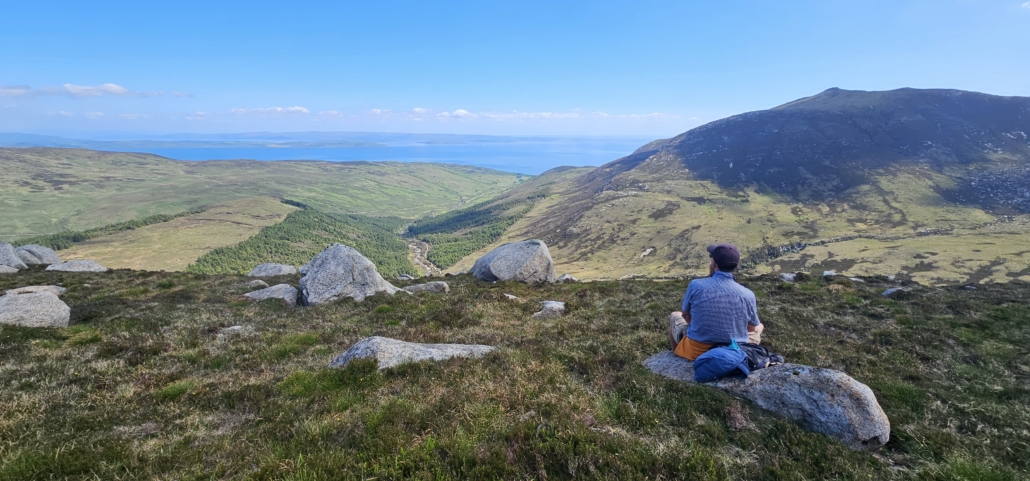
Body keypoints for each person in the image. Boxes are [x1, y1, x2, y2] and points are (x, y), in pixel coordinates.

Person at [669, 243, 764, 360]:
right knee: (759, 326)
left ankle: (676, 358)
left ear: (714, 263)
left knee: (675, 315)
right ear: (736, 265)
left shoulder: (695, 285)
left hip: (696, 351)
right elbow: (751, 329)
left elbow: (685, 315)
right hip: (734, 351)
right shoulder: (748, 294)